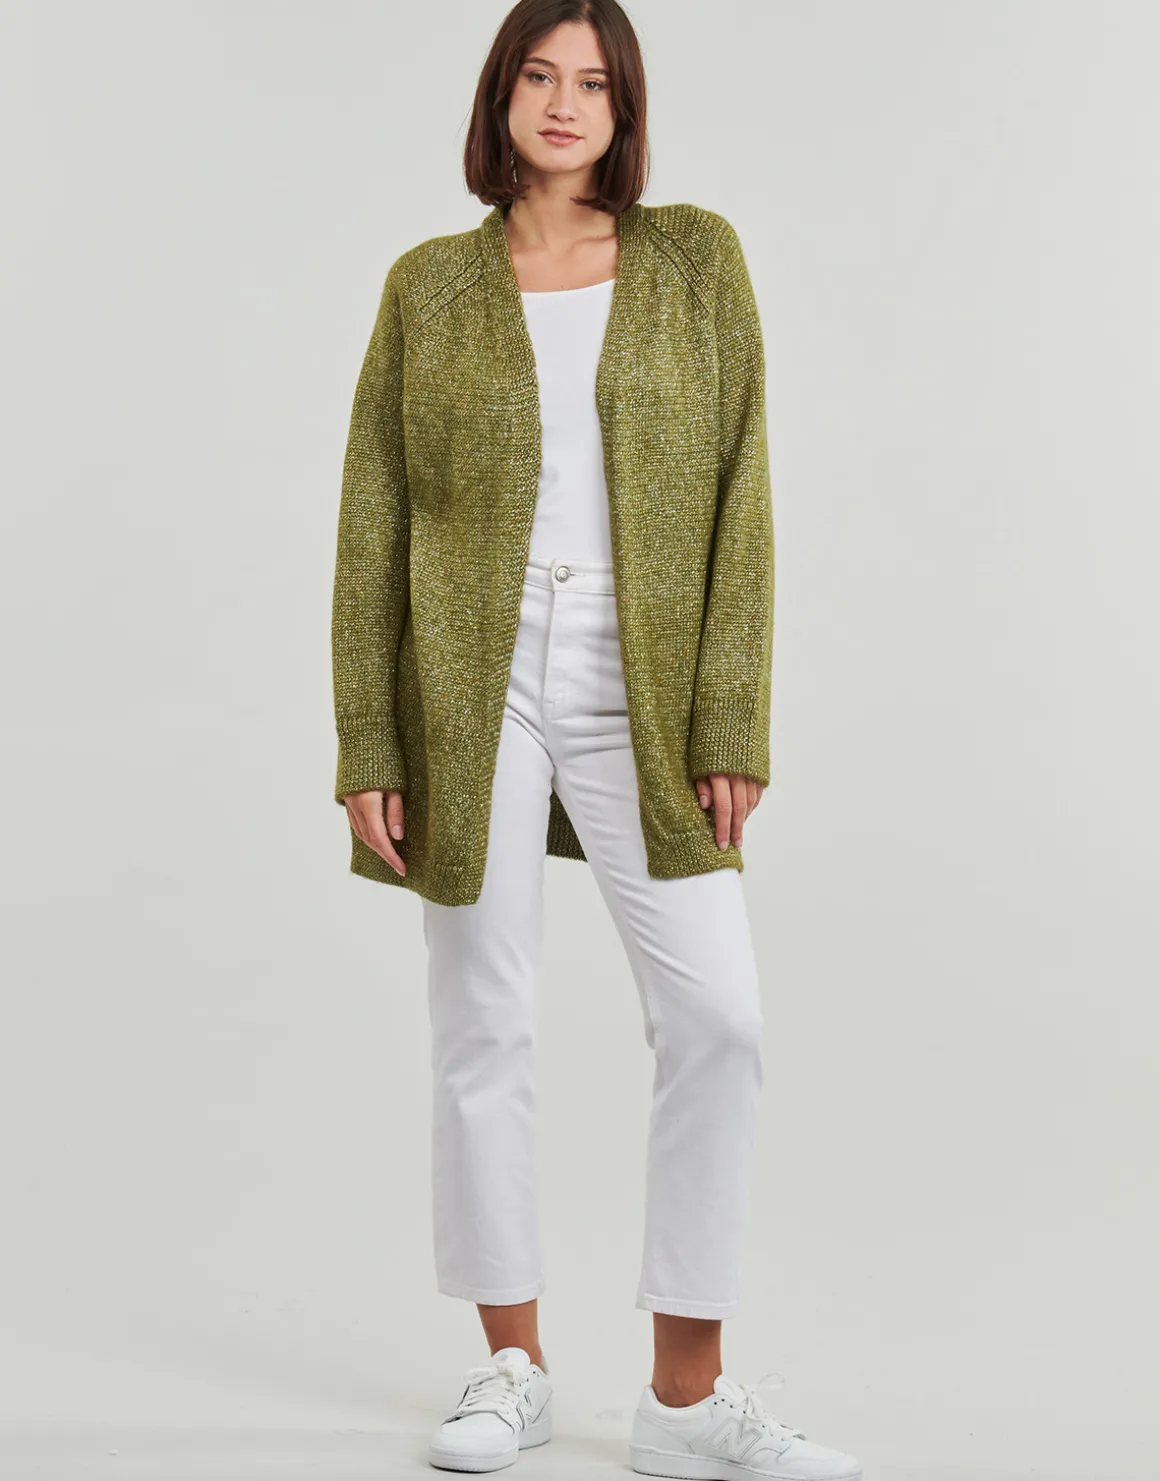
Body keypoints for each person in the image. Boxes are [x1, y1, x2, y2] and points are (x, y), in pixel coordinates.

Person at [331, 1, 861, 1477]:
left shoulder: (695, 259)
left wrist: (729, 713)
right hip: (472, 675)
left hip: (644, 671)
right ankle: (512, 1366)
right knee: (483, 1016)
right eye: (539, 77)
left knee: (720, 1018)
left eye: (595, 84)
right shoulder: (429, 286)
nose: (565, 105)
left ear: (626, 110)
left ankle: (685, 1400)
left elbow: (743, 489)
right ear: (500, 95)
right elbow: (375, 513)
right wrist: (369, 736)